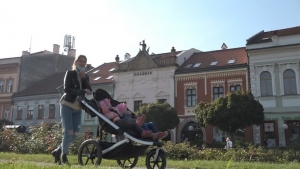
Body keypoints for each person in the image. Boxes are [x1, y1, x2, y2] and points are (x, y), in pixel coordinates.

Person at [51, 55, 92, 165]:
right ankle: (64, 158)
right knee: (68, 133)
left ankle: (58, 150)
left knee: (75, 134)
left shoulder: (85, 77)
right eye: (80, 61)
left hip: (78, 108)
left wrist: (83, 79)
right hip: (67, 105)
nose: (82, 63)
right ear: (76, 62)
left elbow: (89, 90)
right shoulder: (70, 73)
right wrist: (81, 91)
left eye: (84, 62)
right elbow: (66, 89)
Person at [99, 98, 168, 140]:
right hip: (117, 123)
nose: (109, 104)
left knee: (150, 124)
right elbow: (112, 117)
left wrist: (129, 113)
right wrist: (116, 117)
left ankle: (155, 134)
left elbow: (121, 111)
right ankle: (139, 125)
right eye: (107, 104)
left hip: (122, 120)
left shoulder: (114, 109)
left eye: (109, 103)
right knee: (128, 120)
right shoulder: (106, 113)